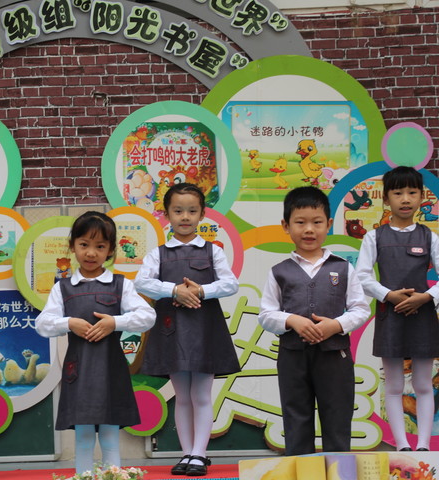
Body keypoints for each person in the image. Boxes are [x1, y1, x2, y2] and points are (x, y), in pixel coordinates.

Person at [36, 211, 155, 475]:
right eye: (84, 245)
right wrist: (69, 323)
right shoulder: (62, 288)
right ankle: (84, 477)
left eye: (100, 246)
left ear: (111, 251)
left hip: (111, 371)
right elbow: (42, 324)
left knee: (111, 437)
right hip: (78, 372)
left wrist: (115, 322)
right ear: (72, 246)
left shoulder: (121, 285)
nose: (91, 253)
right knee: (84, 437)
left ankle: (113, 477)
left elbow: (148, 317)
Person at [135, 183, 239, 476]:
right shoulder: (157, 254)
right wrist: (174, 290)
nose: (185, 217)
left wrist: (201, 291)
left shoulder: (213, 251)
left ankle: (199, 454)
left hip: (205, 329)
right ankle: (186, 454)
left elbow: (230, 284)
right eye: (178, 211)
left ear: (202, 214)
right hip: (172, 329)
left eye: (192, 211)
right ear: (166, 214)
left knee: (202, 395)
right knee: (182, 396)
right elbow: (141, 282)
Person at [258, 186, 370, 455]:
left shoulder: (343, 267)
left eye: (317, 222)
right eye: (300, 222)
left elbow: (360, 309)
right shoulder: (279, 272)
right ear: (286, 226)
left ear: (328, 225)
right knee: (296, 417)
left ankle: (339, 470)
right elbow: (266, 314)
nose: (309, 230)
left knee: (338, 416)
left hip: (335, 356)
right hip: (292, 356)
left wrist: (336, 325)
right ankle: (301, 468)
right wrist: (291, 320)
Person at [356, 166, 439, 452]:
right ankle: (402, 445)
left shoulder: (430, 237)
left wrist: (425, 298)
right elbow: (362, 276)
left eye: (412, 193)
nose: (405, 199)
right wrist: (388, 295)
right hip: (389, 316)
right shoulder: (374, 237)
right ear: (386, 199)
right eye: (398, 193)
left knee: (423, 384)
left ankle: (424, 446)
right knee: (392, 385)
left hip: (423, 317)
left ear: (422, 197)